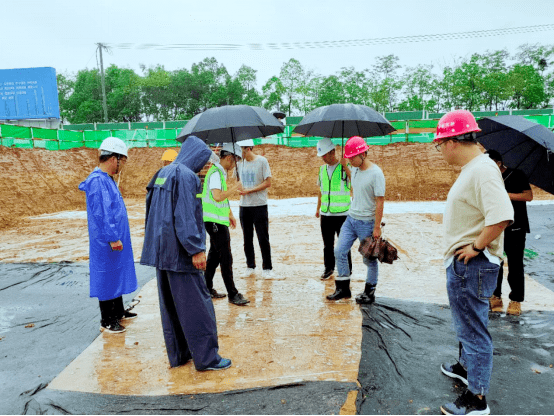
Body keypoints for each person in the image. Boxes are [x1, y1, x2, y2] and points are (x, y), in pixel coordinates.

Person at [434, 110, 513, 416]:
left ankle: (476, 399)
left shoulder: (482, 170)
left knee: (473, 329)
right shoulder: (475, 167)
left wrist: (476, 247)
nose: (440, 150)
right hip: (467, 265)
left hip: (473, 265)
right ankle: (465, 367)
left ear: (453, 141)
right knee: (465, 323)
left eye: (440, 144)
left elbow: (502, 215)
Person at [140, 136, 231, 371]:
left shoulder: (162, 172)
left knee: (170, 308)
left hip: (161, 253)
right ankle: (207, 358)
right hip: (181, 254)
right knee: (197, 307)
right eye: (203, 162)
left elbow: (150, 211)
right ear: (196, 157)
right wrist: (196, 249)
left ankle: (180, 354)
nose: (202, 168)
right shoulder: (186, 176)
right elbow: (185, 216)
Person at [78, 137, 138, 334]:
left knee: (116, 272)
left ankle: (118, 311)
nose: (123, 165)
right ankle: (107, 319)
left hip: (113, 238)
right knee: (106, 276)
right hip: (106, 240)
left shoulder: (106, 180)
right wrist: (112, 237)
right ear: (114, 158)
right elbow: (101, 213)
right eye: (123, 160)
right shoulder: (97, 181)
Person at [330, 136, 385, 303]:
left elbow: (380, 201)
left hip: (367, 223)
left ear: (363, 154)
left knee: (369, 258)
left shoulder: (376, 174)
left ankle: (370, 291)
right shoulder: (354, 169)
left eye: (352, 157)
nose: (350, 160)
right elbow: (351, 176)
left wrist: (377, 227)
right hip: (351, 219)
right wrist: (344, 163)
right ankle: (343, 288)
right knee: (339, 250)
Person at [202, 142, 250, 305]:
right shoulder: (216, 173)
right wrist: (235, 187)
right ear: (229, 158)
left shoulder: (218, 172)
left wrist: (229, 214)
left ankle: (206, 287)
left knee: (214, 256)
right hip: (214, 222)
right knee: (226, 258)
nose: (234, 165)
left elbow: (221, 199)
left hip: (217, 220)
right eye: (235, 160)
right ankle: (233, 293)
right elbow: (217, 196)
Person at [486, 150, 533, 316]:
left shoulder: (517, 174)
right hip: (494, 227)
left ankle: (516, 300)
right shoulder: (488, 179)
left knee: (515, 265)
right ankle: (495, 297)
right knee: (494, 263)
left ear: (498, 163)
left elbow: (528, 196)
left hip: (516, 227)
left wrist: (506, 195)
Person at [236, 139, 277, 279]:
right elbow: (239, 183)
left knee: (263, 237)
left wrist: (250, 190)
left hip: (259, 205)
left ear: (248, 149)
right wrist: (240, 189)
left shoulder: (262, 161)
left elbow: (268, 182)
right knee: (247, 239)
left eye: (240, 149)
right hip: (244, 206)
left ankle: (267, 268)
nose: (238, 152)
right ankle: (250, 266)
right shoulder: (239, 164)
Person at [315, 137, 352, 280]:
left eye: (325, 154)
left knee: (344, 245)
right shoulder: (322, 169)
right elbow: (321, 190)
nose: (323, 158)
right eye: (321, 155)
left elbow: (355, 182)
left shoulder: (345, 168)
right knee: (327, 245)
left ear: (332, 152)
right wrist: (318, 208)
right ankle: (328, 268)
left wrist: (346, 167)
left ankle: (347, 270)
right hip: (326, 213)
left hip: (342, 214)